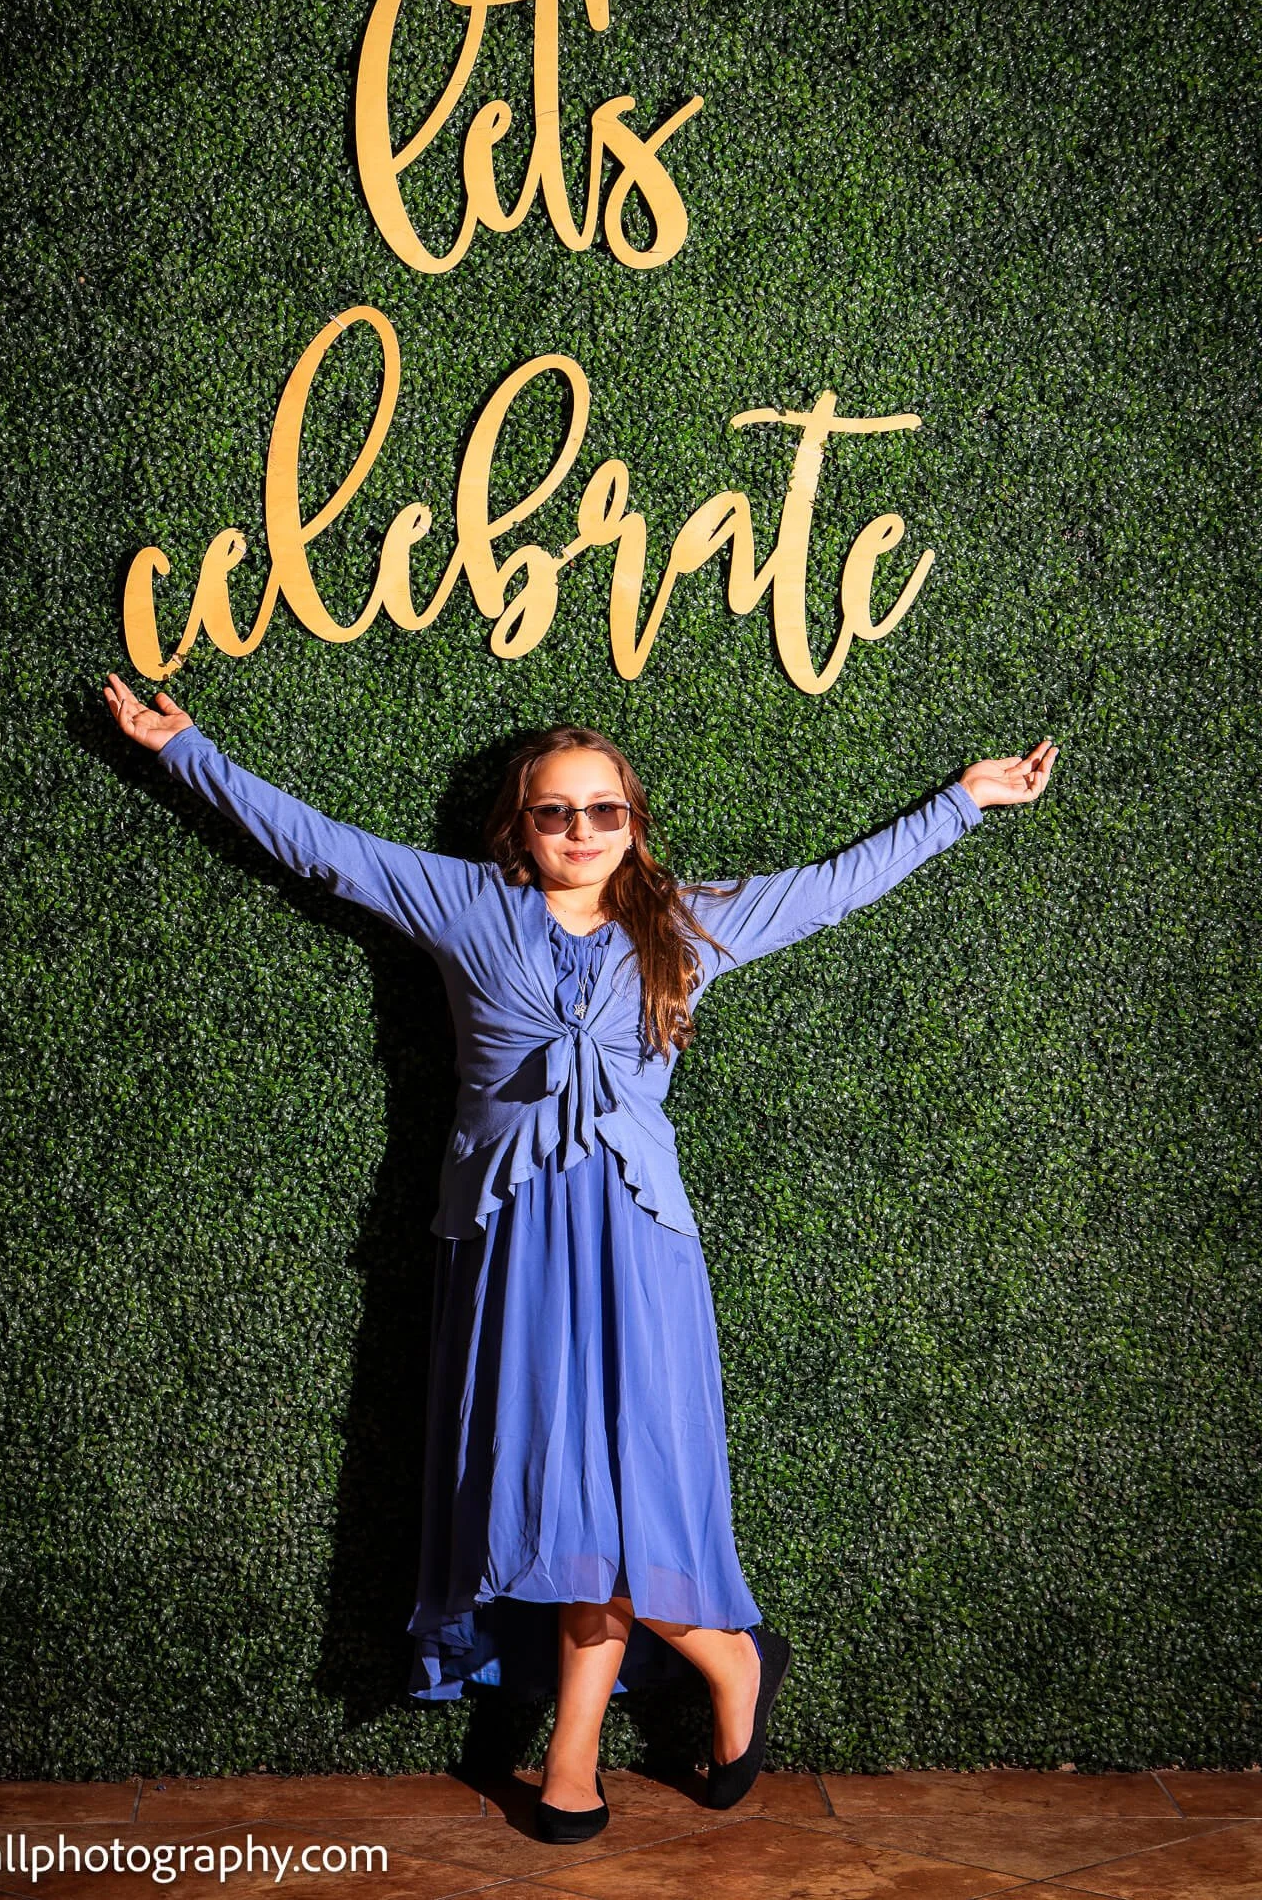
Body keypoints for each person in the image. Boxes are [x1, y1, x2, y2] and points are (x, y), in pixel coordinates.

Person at [103, 672, 1057, 1838]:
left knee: (623, 1498)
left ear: (634, 821)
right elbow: (314, 842)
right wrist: (184, 748)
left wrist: (962, 800)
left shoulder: (686, 920)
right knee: (552, 1496)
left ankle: (575, 1753)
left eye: (604, 810)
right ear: (520, 823)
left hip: (640, 1247)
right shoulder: (461, 903)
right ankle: (727, 1661)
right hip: (512, 1244)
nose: (580, 831)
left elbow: (830, 889)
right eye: (556, 811)